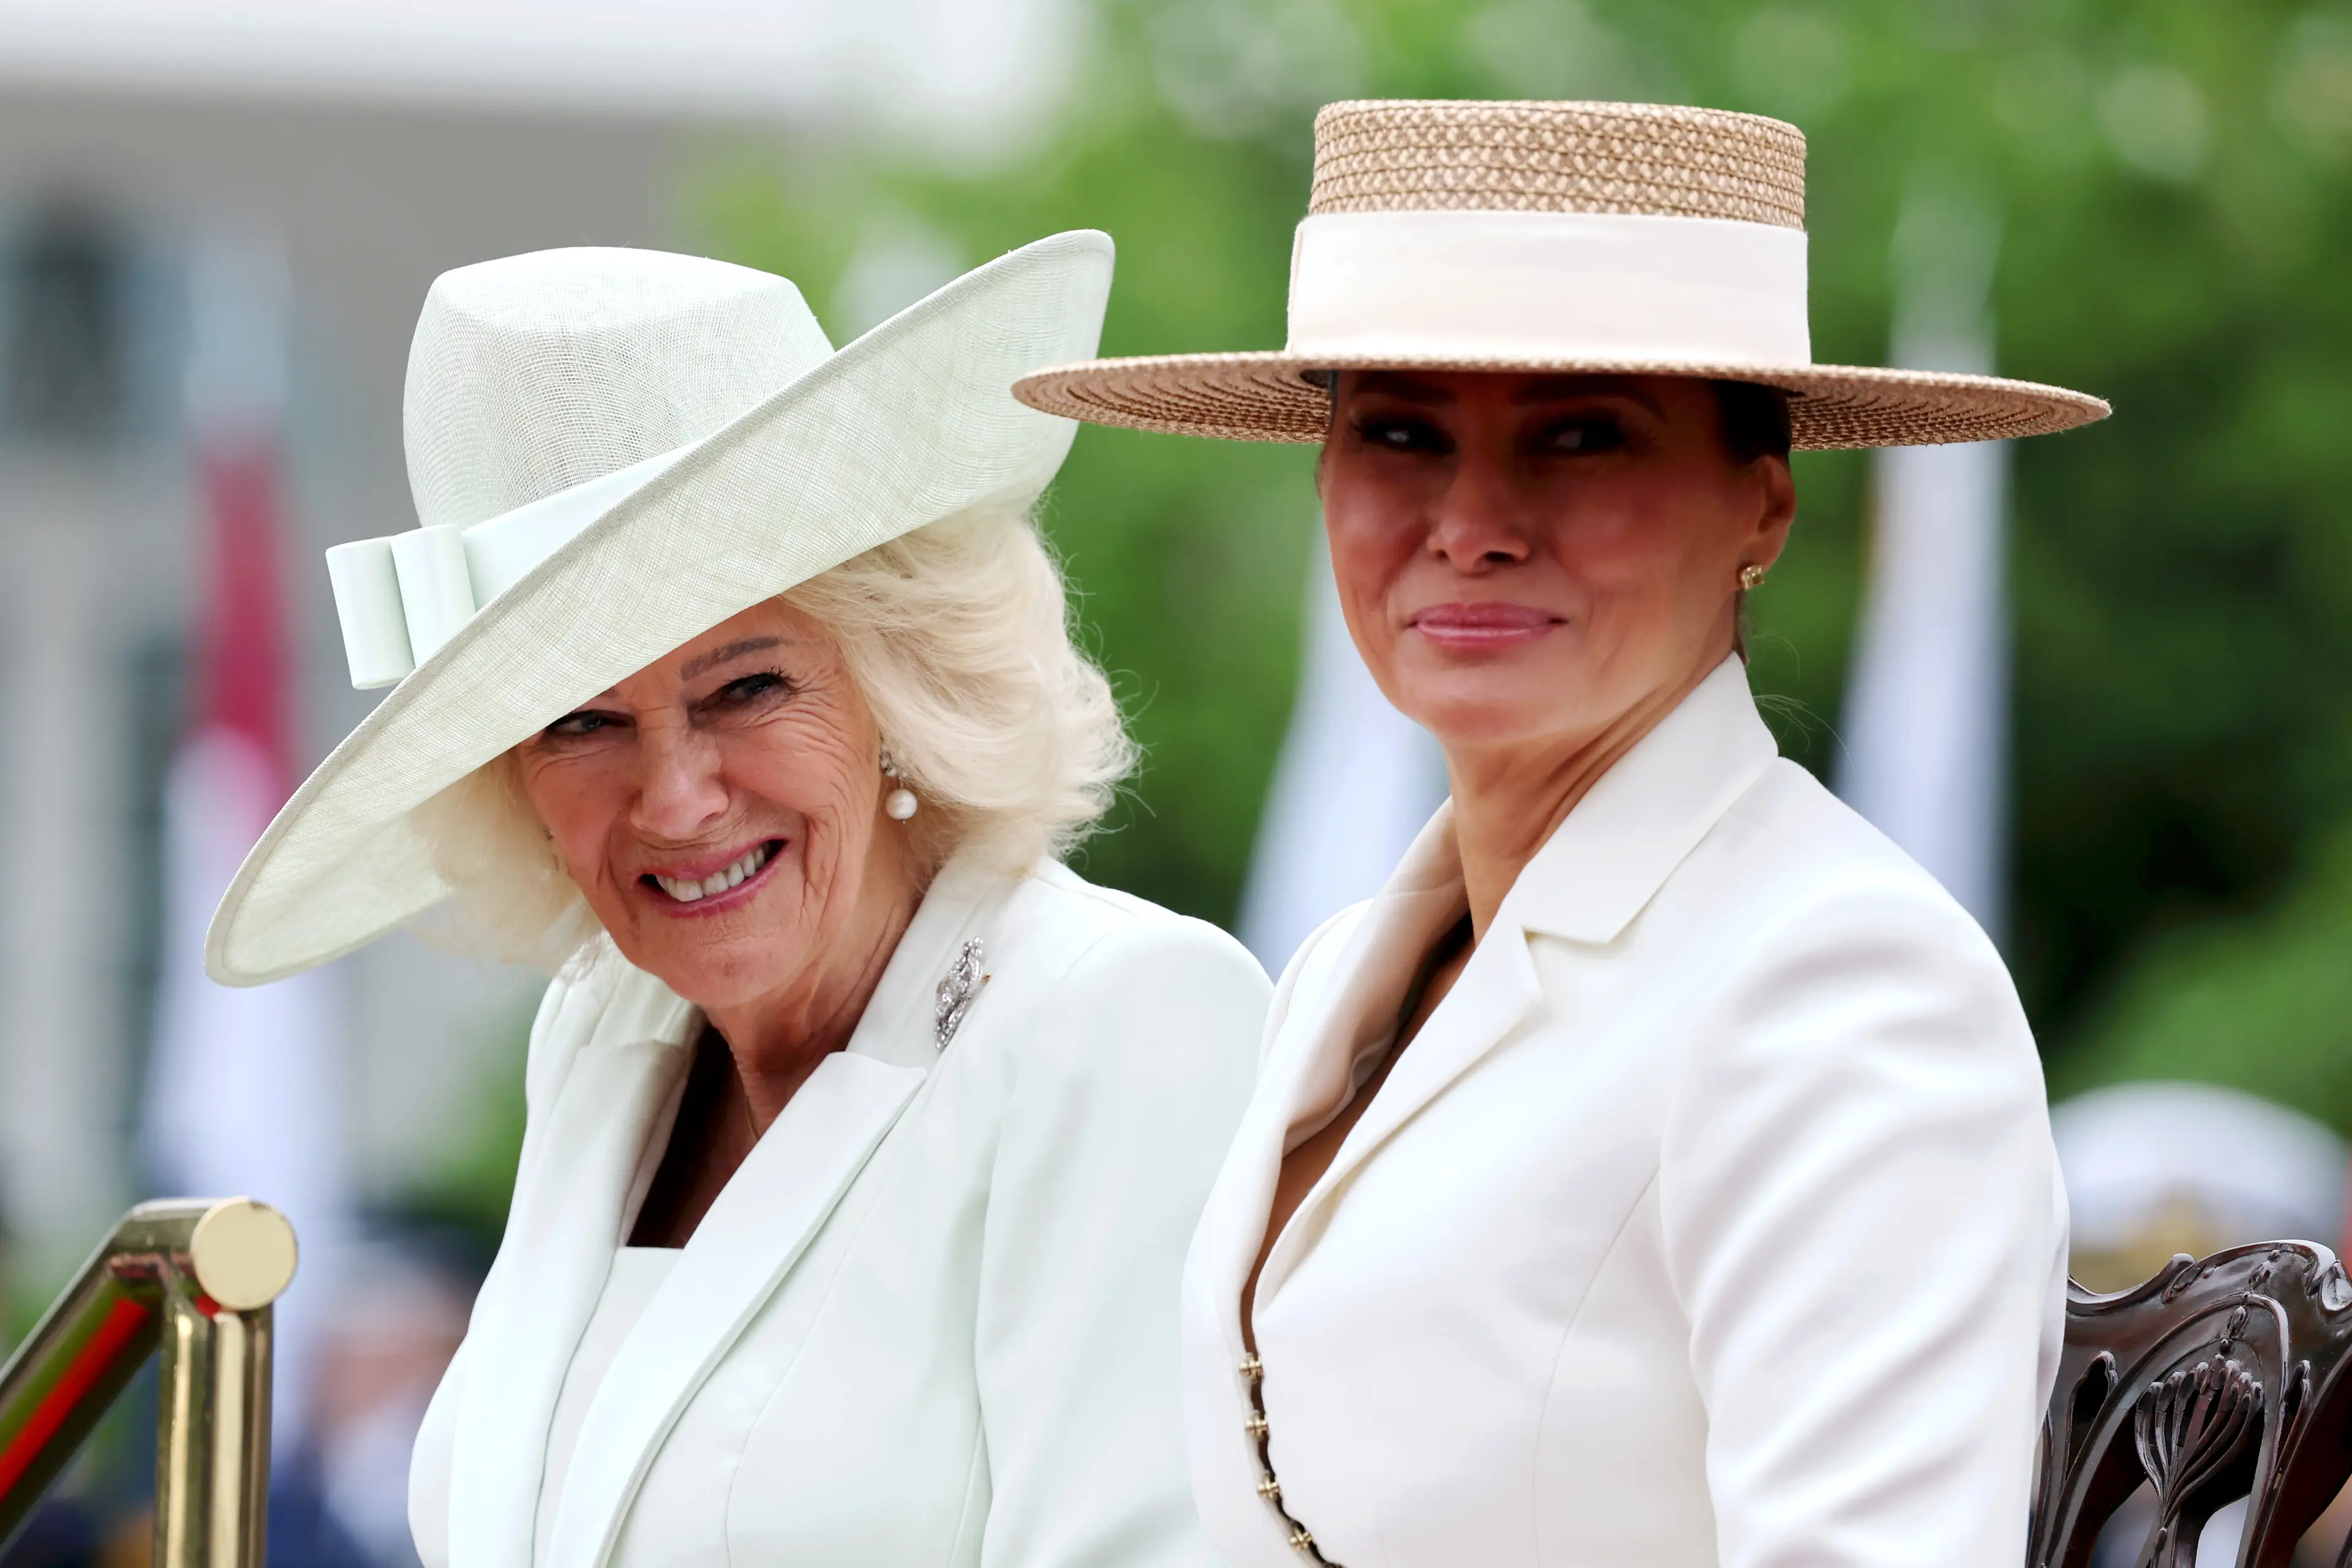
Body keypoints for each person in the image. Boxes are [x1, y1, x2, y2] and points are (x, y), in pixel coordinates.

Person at [1017, 100, 2109, 1566]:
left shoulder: (1848, 985)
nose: (1472, 521)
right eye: (1400, 432)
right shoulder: (1349, 966)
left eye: (1582, 435)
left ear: (1763, 504)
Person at [206, 234, 1268, 1568]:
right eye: (582, 721)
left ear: (898, 677)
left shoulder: (1116, 1018)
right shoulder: (604, 1033)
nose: (676, 797)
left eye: (746, 688)